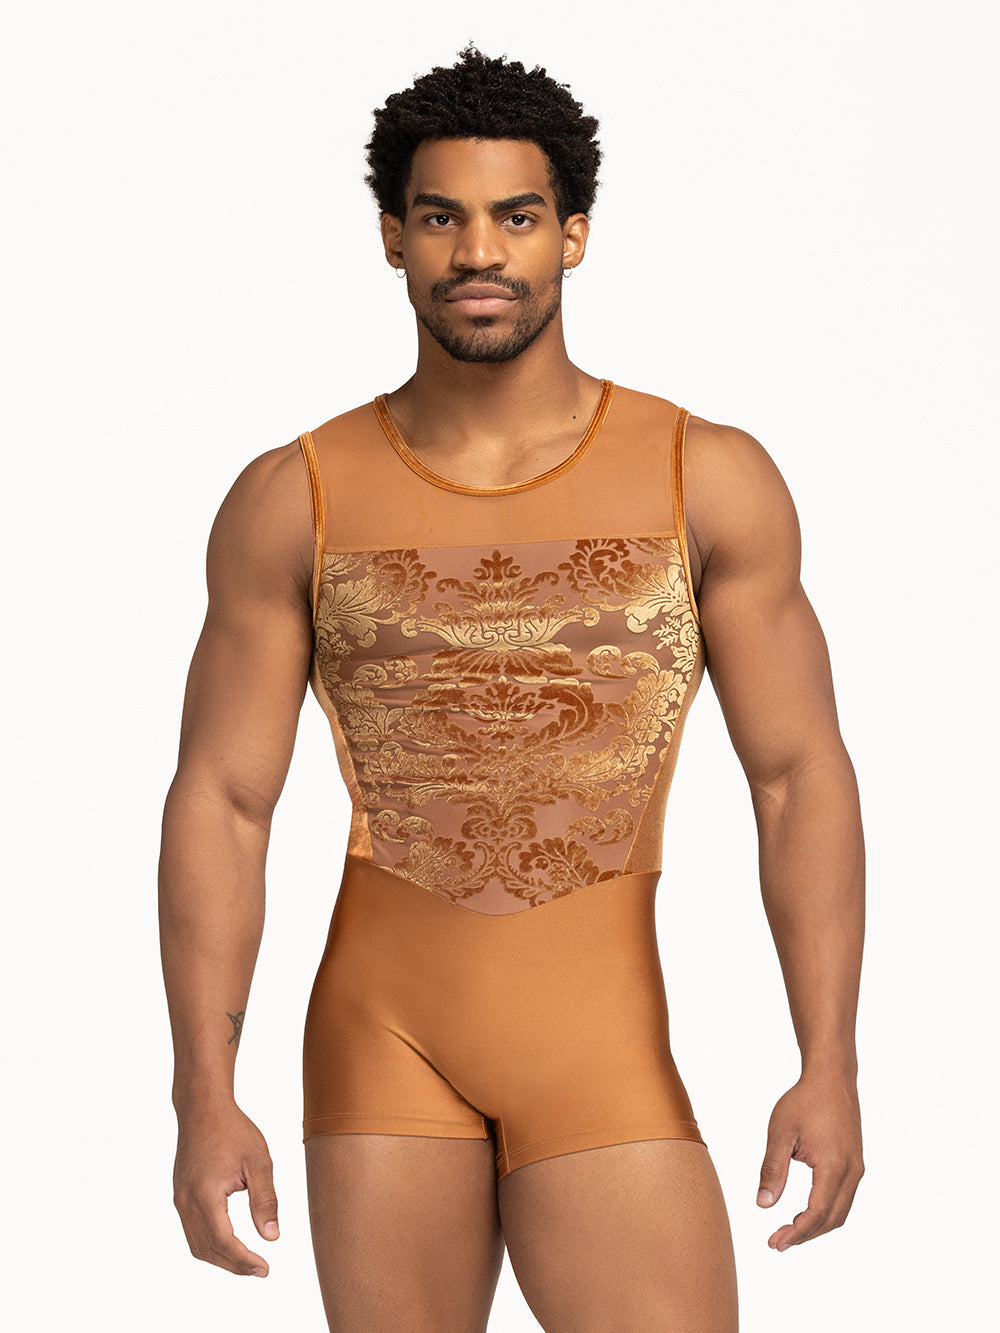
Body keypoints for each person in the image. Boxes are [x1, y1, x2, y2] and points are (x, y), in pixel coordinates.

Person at [159, 44, 865, 1333]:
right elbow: (222, 800)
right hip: (380, 1043)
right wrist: (203, 1095)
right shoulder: (291, 498)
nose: (478, 251)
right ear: (393, 238)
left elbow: (796, 776)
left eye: (516, 216)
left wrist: (829, 1060)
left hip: (598, 1042)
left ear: (572, 235)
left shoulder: (705, 477)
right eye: (441, 217)